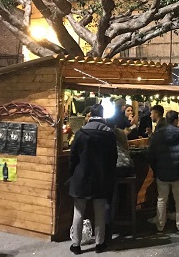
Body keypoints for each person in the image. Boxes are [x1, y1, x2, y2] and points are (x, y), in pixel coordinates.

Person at [68, 104, 117, 255]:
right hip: (101, 178)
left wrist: (72, 174)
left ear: (90, 115)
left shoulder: (81, 133)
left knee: (78, 212)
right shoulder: (109, 134)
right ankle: (99, 244)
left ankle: (76, 245)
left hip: (81, 178)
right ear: (102, 115)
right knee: (100, 211)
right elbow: (113, 158)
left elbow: (73, 157)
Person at [148, 110, 179, 233]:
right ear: (176, 120)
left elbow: (151, 154)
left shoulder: (157, 135)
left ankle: (160, 225)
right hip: (178, 172)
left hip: (162, 172)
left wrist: (156, 168)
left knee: (162, 199)